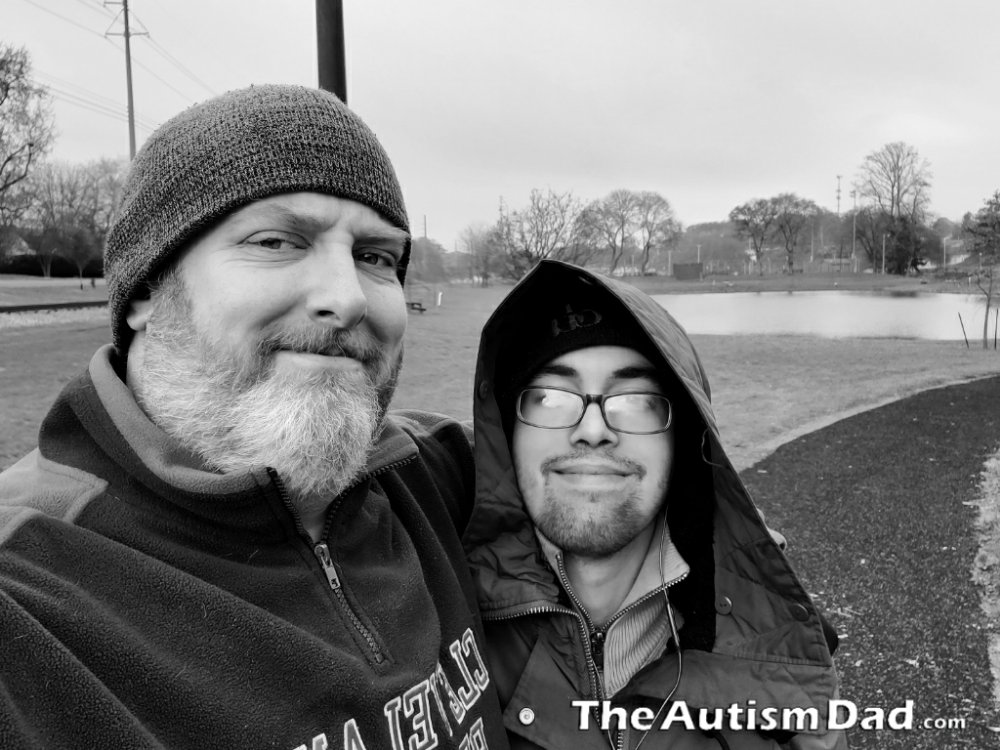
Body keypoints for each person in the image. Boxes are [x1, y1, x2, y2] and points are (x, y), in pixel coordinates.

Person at [0, 85, 506, 750]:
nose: (348, 297)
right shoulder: (29, 590)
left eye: (375, 257)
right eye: (275, 241)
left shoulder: (437, 473)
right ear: (147, 288)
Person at [463, 260, 845, 749]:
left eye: (637, 400)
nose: (593, 430)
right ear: (508, 434)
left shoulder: (782, 669)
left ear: (682, 440)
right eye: (551, 398)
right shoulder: (444, 627)